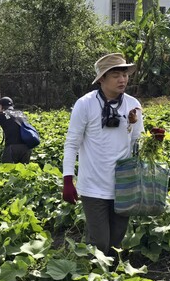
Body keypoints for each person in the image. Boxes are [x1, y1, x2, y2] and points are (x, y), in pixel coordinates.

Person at [62, 53, 147, 255]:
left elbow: (137, 141)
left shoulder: (132, 104)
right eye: (116, 75)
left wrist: (153, 141)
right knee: (99, 243)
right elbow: (72, 143)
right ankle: (93, 279)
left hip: (123, 185)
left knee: (116, 241)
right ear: (101, 79)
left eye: (125, 75)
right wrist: (67, 179)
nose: (123, 80)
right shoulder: (85, 104)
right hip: (93, 185)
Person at [0, 96, 31, 164]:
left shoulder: (0, 115)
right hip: (27, 147)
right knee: (23, 170)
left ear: (0, 106)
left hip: (12, 147)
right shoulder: (21, 113)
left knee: (7, 170)